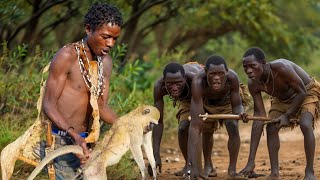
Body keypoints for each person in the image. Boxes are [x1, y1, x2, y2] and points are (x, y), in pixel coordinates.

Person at [42, 2, 123, 179]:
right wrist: (74, 136)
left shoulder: (105, 62)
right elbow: (48, 105)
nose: (110, 43)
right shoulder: (67, 56)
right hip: (62, 141)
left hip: (87, 143)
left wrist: (126, 124)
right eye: (105, 37)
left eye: (114, 39)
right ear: (88, 29)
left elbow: (101, 107)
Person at [240, 47, 319, 180]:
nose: (248, 70)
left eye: (253, 66)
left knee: (305, 124)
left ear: (263, 63)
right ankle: (274, 173)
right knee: (271, 126)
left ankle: (310, 172)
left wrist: (287, 115)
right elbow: (259, 116)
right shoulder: (253, 83)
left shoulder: (282, 68)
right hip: (281, 99)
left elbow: (301, 92)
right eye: (245, 67)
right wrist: (250, 161)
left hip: (306, 92)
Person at [188, 55, 250, 178]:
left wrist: (241, 113)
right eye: (212, 74)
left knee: (233, 126)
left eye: (221, 74)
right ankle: (207, 166)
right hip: (206, 104)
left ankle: (232, 170)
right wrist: (194, 168)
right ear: (206, 72)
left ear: (226, 72)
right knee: (206, 130)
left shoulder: (232, 78)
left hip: (226, 104)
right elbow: (195, 125)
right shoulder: (198, 82)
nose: (216, 78)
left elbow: (237, 104)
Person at [152, 62, 205, 176]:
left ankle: (201, 167)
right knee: (182, 128)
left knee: (199, 129)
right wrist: (155, 155)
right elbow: (158, 121)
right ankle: (188, 164)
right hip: (187, 98)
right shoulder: (159, 87)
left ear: (185, 78)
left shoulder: (194, 80)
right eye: (170, 84)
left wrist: (193, 167)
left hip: (202, 94)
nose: (174, 88)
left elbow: (195, 124)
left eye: (178, 83)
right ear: (164, 80)